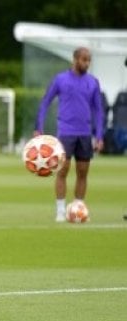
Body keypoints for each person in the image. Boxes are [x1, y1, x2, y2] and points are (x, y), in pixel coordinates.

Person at [35, 47, 104, 222]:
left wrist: (100, 135)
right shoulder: (60, 80)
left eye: (89, 60)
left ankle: (78, 208)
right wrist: (39, 127)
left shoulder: (93, 82)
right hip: (66, 132)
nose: (86, 63)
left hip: (85, 134)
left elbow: (98, 111)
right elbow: (45, 103)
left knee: (83, 172)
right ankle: (60, 211)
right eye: (83, 60)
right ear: (74, 60)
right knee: (62, 171)